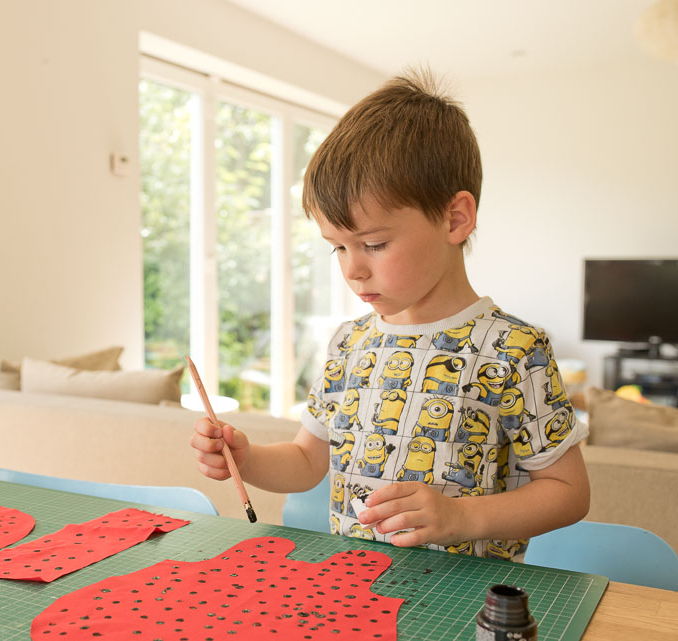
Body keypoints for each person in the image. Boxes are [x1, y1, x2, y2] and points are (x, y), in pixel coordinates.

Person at [189, 70, 589, 561]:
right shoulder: (348, 343)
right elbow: (305, 461)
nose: (353, 269)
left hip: (462, 607)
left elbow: (569, 491)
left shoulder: (514, 350)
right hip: (353, 592)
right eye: (336, 247)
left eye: (374, 244)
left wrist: (463, 517)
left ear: (455, 218)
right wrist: (246, 459)